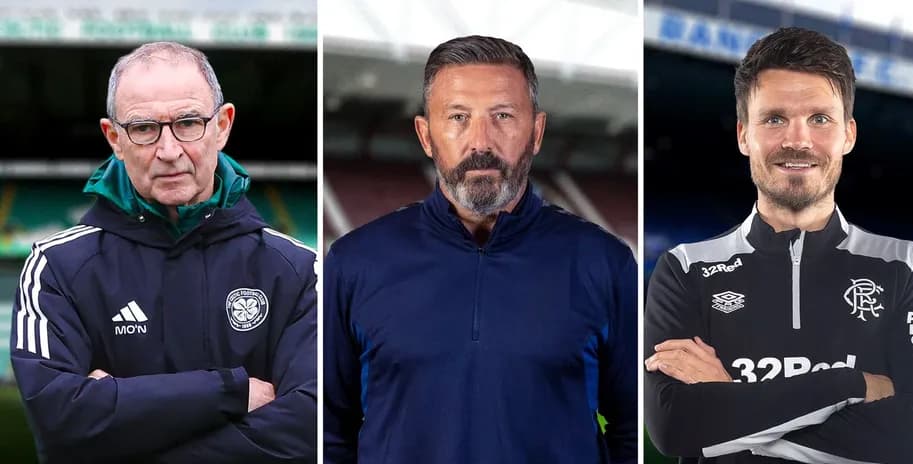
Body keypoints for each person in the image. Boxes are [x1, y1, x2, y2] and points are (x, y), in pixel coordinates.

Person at [644, 27, 913, 463]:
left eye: (820, 119)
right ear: (743, 135)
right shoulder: (685, 269)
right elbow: (675, 427)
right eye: (774, 119)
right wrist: (850, 385)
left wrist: (729, 402)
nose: (797, 140)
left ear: (848, 134)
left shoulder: (903, 265)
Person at [324, 35, 638, 463]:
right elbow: (329, 429)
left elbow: (631, 428)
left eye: (503, 115)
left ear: (537, 131)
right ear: (425, 135)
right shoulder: (354, 262)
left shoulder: (605, 263)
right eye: (457, 117)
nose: (481, 142)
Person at [9, 42, 317, 463]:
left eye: (188, 122)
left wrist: (116, 415)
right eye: (143, 128)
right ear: (114, 137)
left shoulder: (298, 270)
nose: (169, 151)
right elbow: (59, 418)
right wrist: (231, 391)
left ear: (223, 126)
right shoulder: (56, 267)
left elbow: (311, 428)